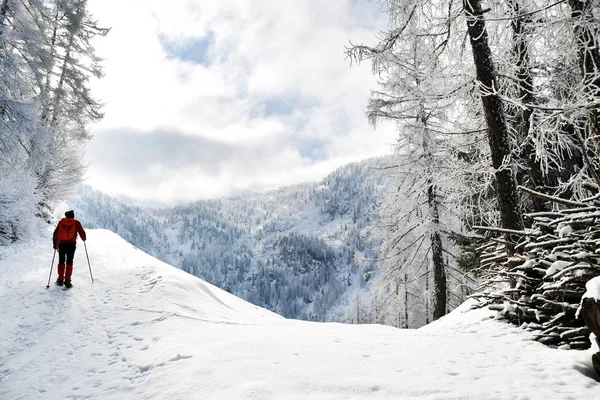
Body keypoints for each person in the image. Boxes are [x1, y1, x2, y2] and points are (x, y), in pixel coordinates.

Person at [52, 210, 86, 288]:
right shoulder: (76, 223)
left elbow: (56, 233)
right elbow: (81, 232)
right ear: (73, 216)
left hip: (61, 245)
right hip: (71, 245)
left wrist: (55, 244)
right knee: (69, 262)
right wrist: (83, 238)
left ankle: (60, 279)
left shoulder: (61, 222)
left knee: (61, 261)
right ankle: (67, 281)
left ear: (66, 216)